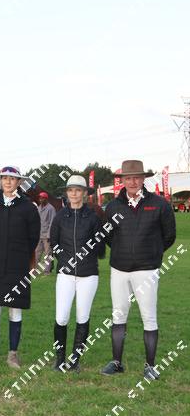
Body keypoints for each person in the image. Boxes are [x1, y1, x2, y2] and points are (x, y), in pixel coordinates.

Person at [101, 160, 176, 380]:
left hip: (146, 270)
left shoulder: (159, 204)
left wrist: (151, 253)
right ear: (122, 180)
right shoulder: (113, 207)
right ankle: (116, 363)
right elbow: (108, 236)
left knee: (149, 317)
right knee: (118, 315)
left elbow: (169, 235)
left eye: (136, 177)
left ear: (143, 179)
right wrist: (123, 251)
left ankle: (150, 366)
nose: (132, 182)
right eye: (128, 178)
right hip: (119, 269)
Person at [0, 166, 40, 369]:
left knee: (15, 311)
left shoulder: (28, 207)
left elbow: (33, 237)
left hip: (17, 264)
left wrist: (19, 252)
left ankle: (13, 355)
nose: (8, 182)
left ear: (19, 182)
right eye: (5, 178)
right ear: (0, 181)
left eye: (12, 179)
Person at [49, 175, 104, 372]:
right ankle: (59, 359)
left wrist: (85, 258)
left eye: (78, 190)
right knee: (61, 317)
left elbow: (100, 247)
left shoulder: (93, 218)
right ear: (67, 193)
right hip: (65, 274)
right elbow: (54, 243)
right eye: (71, 190)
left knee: (82, 316)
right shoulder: (59, 217)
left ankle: (75, 361)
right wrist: (65, 260)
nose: (74, 194)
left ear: (85, 193)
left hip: (88, 275)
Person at [35, 191, 56, 275]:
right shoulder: (39, 207)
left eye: (42, 198)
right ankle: (34, 271)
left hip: (47, 235)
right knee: (37, 252)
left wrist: (49, 235)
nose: (40, 199)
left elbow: (52, 222)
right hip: (39, 234)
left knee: (48, 254)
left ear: (46, 199)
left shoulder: (51, 208)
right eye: (40, 198)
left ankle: (47, 271)